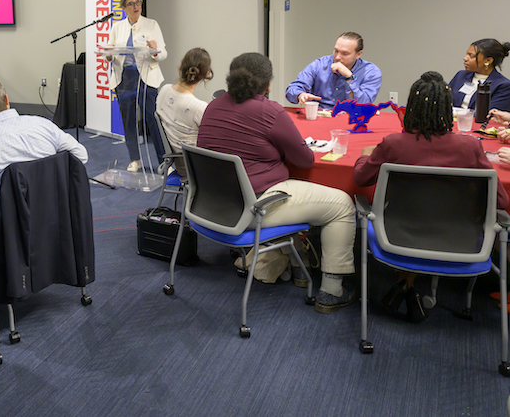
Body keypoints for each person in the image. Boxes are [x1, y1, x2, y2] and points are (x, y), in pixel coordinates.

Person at [197, 52, 357, 314]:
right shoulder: (269, 111)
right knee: (342, 205)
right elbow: (304, 160)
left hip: (212, 204)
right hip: (254, 207)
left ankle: (299, 264)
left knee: (292, 189)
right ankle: (332, 290)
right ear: (268, 84)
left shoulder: (213, 106)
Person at [353, 71, 510, 322]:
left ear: (410, 108)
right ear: (449, 110)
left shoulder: (393, 144)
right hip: (461, 239)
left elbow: (361, 179)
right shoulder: (470, 147)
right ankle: (409, 288)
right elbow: (501, 203)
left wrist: (364, 155)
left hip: (397, 234)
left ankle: (407, 286)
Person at [0, 76, 88, 207]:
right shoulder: (43, 124)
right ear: (6, 99)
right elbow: (81, 155)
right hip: (53, 210)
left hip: (8, 219)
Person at [103, 0, 167, 172]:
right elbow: (111, 55)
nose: (136, 6)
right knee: (128, 120)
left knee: (152, 119)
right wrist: (108, 55)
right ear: (124, 8)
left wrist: (155, 50)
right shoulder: (117, 27)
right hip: (124, 79)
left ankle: (164, 160)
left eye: (138, 2)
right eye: (131, 4)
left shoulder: (151, 24)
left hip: (146, 78)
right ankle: (134, 159)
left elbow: (163, 54)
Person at [285, 31, 382, 109]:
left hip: (349, 118)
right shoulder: (320, 64)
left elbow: (363, 105)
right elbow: (292, 90)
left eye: (345, 53)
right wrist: (300, 94)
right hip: (319, 116)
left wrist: (349, 77)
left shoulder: (371, 72)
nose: (337, 57)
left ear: (358, 54)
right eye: (336, 51)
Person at [155, 48, 213, 178]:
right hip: (197, 170)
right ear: (206, 74)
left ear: (181, 66)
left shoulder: (163, 90)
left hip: (179, 164)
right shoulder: (199, 108)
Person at [448, 38, 510, 112]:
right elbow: (445, 102)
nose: (465, 58)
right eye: (467, 54)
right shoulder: (460, 75)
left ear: (488, 61)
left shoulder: (503, 85)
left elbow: (489, 115)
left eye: (471, 56)